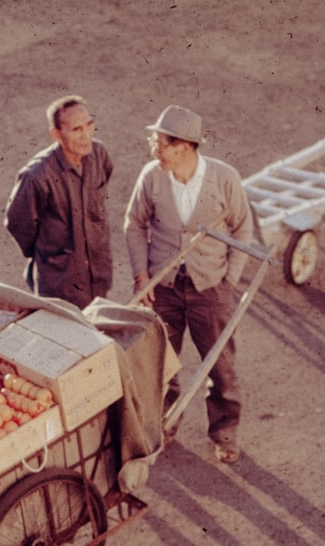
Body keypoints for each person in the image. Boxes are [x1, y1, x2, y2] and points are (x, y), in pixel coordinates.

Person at [123, 105, 253, 463]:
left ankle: (225, 434)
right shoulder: (152, 177)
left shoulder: (224, 179)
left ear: (183, 146)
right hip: (163, 289)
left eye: (159, 141)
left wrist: (229, 279)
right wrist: (142, 275)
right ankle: (165, 422)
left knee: (221, 367)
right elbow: (134, 224)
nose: (154, 147)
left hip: (210, 289)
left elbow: (243, 228)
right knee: (162, 363)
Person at [4, 95, 114, 309]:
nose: (86, 136)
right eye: (76, 130)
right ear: (56, 134)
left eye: (89, 125)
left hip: (97, 276)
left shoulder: (99, 154)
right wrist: (47, 255)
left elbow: (105, 179)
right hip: (59, 285)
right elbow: (18, 222)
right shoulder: (37, 175)